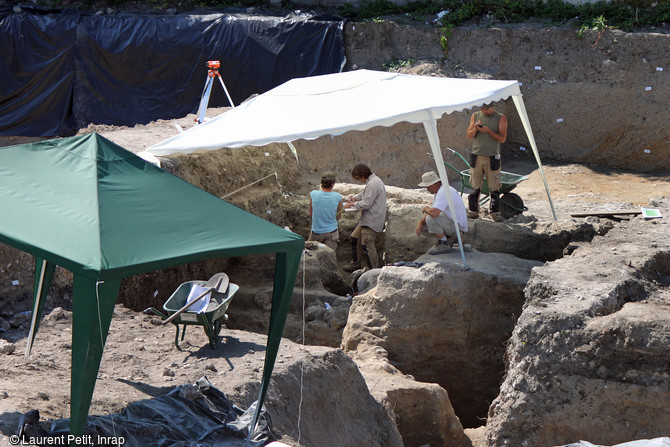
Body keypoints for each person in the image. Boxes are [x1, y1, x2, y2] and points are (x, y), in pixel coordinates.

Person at [466, 102, 508, 222]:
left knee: (494, 186)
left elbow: (502, 138)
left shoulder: (500, 118)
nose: (485, 111)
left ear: (493, 107)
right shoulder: (476, 115)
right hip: (477, 155)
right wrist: (475, 129)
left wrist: (488, 131)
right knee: (475, 185)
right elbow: (469, 135)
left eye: (487, 109)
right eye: (483, 109)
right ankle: (473, 211)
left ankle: (495, 213)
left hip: (492, 156)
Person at [342, 164, 387, 271]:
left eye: (357, 178)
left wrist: (352, 205)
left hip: (372, 220)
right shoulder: (372, 182)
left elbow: (366, 203)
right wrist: (354, 198)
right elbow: (365, 194)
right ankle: (357, 263)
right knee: (355, 238)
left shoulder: (373, 184)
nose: (358, 181)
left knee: (368, 245)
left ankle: (374, 270)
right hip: (367, 219)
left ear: (362, 175)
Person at [415, 171, 468, 255]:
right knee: (424, 226)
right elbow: (433, 211)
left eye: (428, 186)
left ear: (433, 184)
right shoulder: (441, 191)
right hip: (454, 224)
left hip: (457, 228)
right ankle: (447, 239)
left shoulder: (443, 192)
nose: (427, 189)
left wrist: (426, 208)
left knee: (430, 219)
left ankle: (444, 244)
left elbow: (434, 213)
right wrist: (420, 222)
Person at [308, 171, 343, 252]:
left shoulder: (313, 194)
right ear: (332, 184)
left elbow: (311, 213)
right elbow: (338, 215)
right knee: (330, 257)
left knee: (312, 254)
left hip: (316, 232)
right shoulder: (337, 196)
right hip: (332, 233)